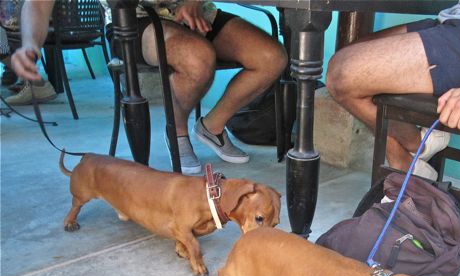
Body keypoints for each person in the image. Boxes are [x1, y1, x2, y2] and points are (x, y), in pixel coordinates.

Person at [11, 0, 287, 174]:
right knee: (197, 58)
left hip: (197, 11)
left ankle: (212, 127)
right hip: (134, 18)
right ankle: (177, 132)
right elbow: (37, 4)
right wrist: (30, 45)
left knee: (272, 58)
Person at [326, 0, 460, 180]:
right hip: (457, 22)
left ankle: (409, 157)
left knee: (344, 74)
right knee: (350, 52)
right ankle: (417, 150)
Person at [1, 0, 57, 104]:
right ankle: (28, 78)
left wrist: (29, 46)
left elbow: (37, 5)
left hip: (49, 23)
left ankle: (35, 82)